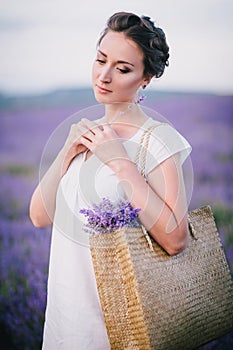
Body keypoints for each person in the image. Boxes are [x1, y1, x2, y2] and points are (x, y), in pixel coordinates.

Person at [30, 11, 192, 349]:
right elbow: (39, 216)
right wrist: (67, 150)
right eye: (100, 59)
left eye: (122, 68)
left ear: (145, 78)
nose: (104, 75)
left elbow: (176, 238)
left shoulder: (159, 140)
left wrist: (119, 159)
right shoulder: (85, 133)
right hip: (65, 323)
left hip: (122, 332)